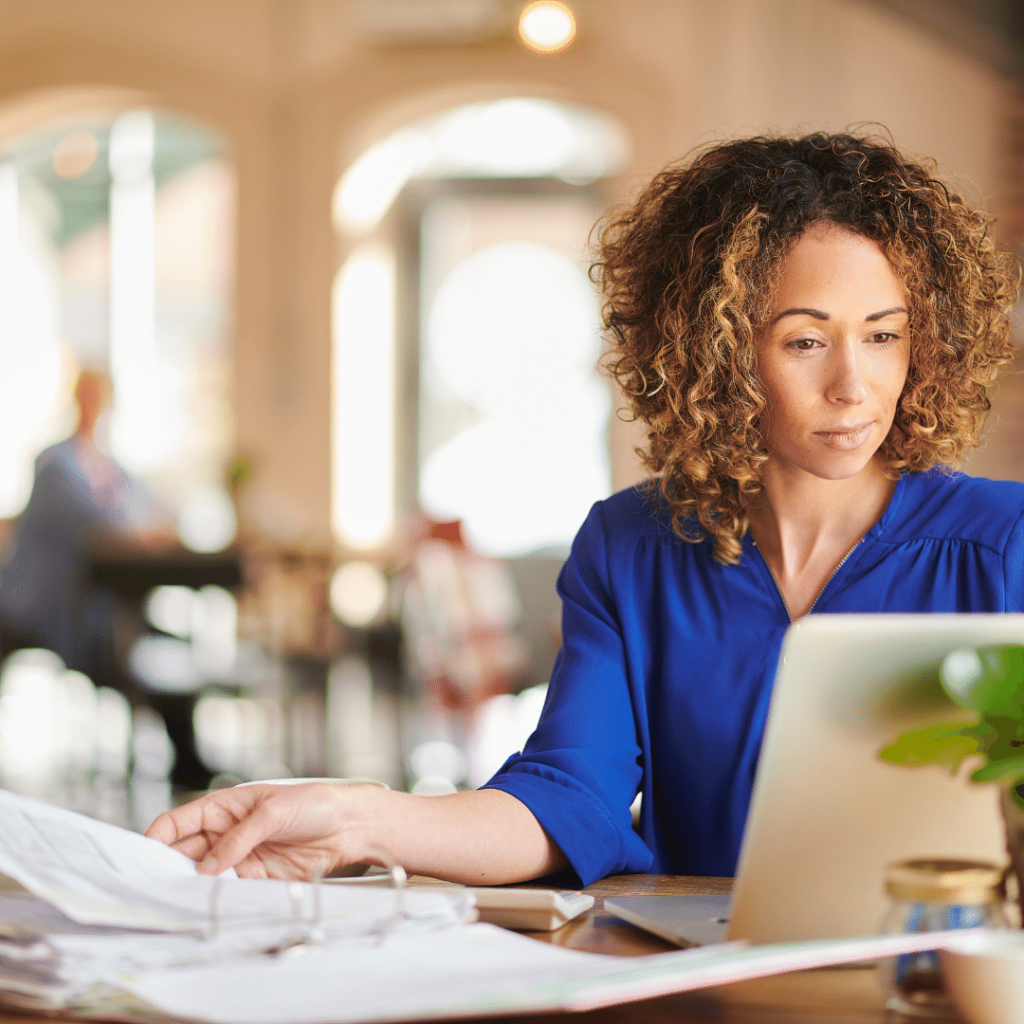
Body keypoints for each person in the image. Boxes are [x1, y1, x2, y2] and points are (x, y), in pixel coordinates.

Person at [146, 131, 1023, 887]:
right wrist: (357, 821)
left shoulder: (1004, 546)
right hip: (699, 992)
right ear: (716, 353)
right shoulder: (632, 546)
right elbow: (568, 797)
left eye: (884, 333)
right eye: (804, 340)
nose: (852, 384)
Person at [0, 369, 166, 680]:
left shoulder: (108, 467)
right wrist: (137, 533)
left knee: (137, 625)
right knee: (118, 632)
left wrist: (158, 526)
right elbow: (96, 518)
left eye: (100, 397)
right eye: (88, 396)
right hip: (42, 595)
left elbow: (150, 506)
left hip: (88, 594)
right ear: (75, 399)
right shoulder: (53, 464)